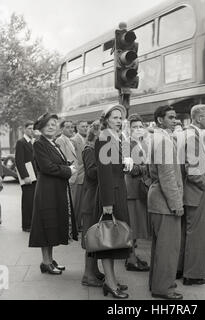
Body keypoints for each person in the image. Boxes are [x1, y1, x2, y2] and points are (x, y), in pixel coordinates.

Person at [29, 113, 78, 275]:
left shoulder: (52, 143)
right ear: (41, 127)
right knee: (46, 226)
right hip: (47, 191)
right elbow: (47, 167)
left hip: (54, 190)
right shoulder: (39, 143)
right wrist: (68, 170)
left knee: (51, 226)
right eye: (48, 124)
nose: (52, 126)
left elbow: (55, 164)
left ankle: (50, 260)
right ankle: (46, 262)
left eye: (54, 123)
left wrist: (67, 166)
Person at [94, 104, 133, 299]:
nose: (119, 120)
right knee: (107, 240)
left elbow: (121, 165)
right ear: (106, 119)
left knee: (115, 238)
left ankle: (112, 280)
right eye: (115, 117)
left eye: (121, 117)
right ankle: (109, 283)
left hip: (119, 190)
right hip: (111, 194)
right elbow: (104, 173)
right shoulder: (104, 138)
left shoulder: (118, 137)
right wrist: (107, 202)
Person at [148, 105, 184, 300]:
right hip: (165, 202)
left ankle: (157, 284)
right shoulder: (163, 141)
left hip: (158, 200)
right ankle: (165, 289)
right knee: (168, 249)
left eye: (175, 117)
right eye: (171, 117)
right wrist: (176, 203)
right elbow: (167, 176)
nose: (175, 120)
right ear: (160, 120)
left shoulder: (160, 138)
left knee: (160, 247)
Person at [177, 104, 205, 286]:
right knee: (197, 234)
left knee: (186, 232)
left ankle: (181, 269)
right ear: (199, 118)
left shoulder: (186, 134)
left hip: (189, 193)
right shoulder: (193, 137)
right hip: (197, 193)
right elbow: (193, 172)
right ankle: (194, 275)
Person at [124, 114, 151, 272]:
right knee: (132, 226)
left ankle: (132, 255)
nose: (138, 129)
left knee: (136, 226)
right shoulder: (127, 144)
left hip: (139, 188)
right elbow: (129, 168)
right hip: (132, 189)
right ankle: (131, 259)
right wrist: (146, 168)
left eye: (140, 126)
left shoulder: (142, 144)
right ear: (129, 129)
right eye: (134, 127)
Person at [81, 120, 105, 287]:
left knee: (95, 237)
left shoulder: (95, 149)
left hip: (96, 196)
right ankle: (88, 274)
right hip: (91, 198)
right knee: (91, 237)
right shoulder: (89, 150)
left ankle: (94, 271)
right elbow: (91, 173)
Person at [15, 121, 37, 232]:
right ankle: (26, 225)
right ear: (24, 129)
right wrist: (25, 176)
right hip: (28, 178)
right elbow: (19, 161)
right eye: (29, 128)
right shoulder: (21, 142)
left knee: (34, 201)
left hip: (36, 177)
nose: (31, 130)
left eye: (33, 128)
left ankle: (33, 223)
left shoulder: (34, 142)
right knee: (27, 201)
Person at [55, 121, 79, 218]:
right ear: (61, 129)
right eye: (68, 127)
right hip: (69, 177)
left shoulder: (69, 140)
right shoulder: (60, 140)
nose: (71, 129)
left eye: (72, 127)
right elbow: (63, 161)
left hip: (73, 176)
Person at [71, 120, 88, 231]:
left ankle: (79, 224)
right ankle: (75, 225)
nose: (85, 128)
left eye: (86, 126)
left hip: (85, 174)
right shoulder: (74, 140)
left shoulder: (86, 139)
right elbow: (74, 159)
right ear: (77, 127)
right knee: (76, 201)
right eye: (83, 126)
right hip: (78, 174)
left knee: (82, 201)